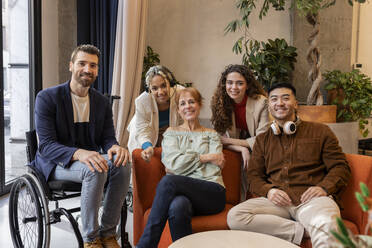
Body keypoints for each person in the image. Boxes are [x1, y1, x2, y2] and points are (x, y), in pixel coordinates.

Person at [227, 83, 351, 248]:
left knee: (328, 227)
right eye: (274, 99)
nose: (279, 103)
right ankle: (301, 231)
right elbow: (254, 176)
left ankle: (317, 228)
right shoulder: (263, 140)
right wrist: (269, 191)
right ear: (269, 105)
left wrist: (324, 188)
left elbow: (340, 167)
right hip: (278, 203)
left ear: (295, 104)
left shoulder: (321, 132)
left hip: (312, 200)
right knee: (235, 216)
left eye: (286, 98)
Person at [31, 44, 131, 248]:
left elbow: (107, 138)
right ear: (71, 66)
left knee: (122, 164)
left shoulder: (101, 102)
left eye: (93, 65)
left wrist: (115, 147)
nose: (87, 69)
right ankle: (91, 239)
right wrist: (79, 153)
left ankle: (108, 235)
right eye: (82, 63)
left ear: (97, 70)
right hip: (56, 163)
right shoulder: (47, 97)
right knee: (95, 169)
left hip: (88, 159)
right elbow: (46, 146)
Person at [136, 88, 226, 248]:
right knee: (177, 206)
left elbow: (215, 165)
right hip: (186, 196)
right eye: (183, 104)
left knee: (169, 181)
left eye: (191, 102)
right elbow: (172, 165)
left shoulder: (211, 134)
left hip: (212, 193)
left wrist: (183, 161)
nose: (188, 106)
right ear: (178, 110)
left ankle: (145, 246)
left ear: (199, 105)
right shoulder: (171, 133)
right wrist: (205, 157)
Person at [211, 64, 269, 200]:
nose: (234, 87)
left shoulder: (261, 103)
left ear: (247, 85)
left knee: (256, 159)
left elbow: (262, 140)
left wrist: (229, 141)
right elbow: (218, 139)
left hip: (265, 146)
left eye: (239, 83)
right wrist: (242, 149)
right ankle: (235, 200)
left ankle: (259, 198)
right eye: (229, 83)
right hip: (242, 143)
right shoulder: (220, 102)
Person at [127, 65, 182, 161]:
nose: (160, 92)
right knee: (146, 161)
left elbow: (184, 123)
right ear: (149, 89)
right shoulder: (142, 101)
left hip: (169, 130)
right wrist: (147, 146)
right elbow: (142, 131)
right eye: (155, 88)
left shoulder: (181, 93)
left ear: (171, 83)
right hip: (145, 129)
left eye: (164, 86)